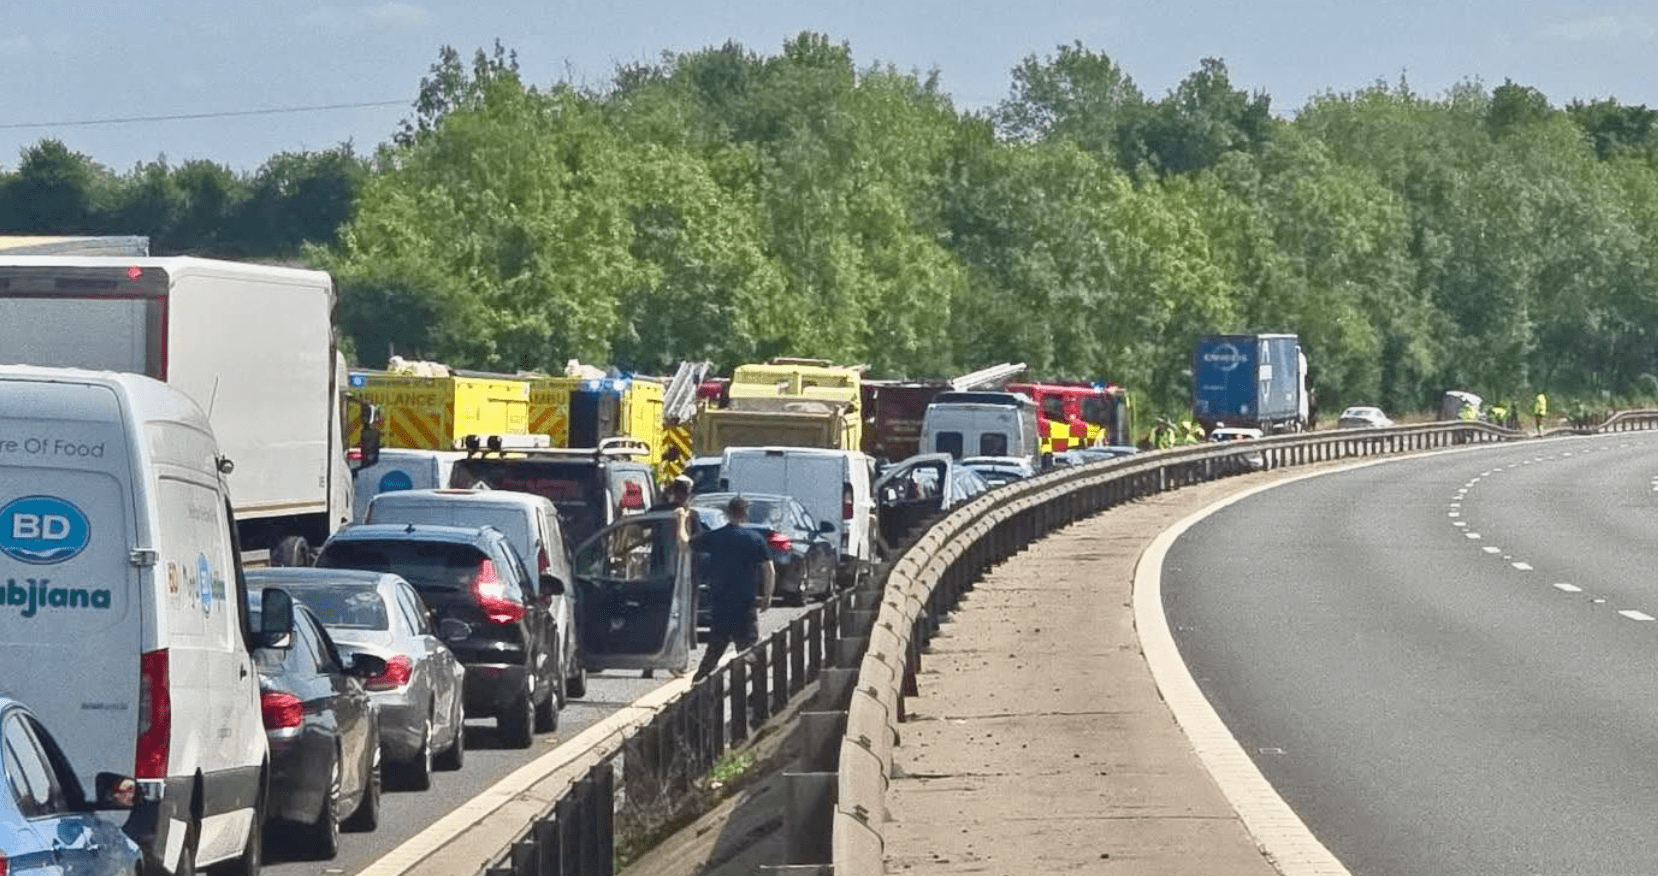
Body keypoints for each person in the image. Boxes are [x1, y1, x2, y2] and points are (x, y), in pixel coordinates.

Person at [688, 495, 775, 683]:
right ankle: (759, 700)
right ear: (745, 514)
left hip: (721, 604)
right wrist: (767, 596)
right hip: (745, 604)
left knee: (712, 655)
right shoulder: (755, 539)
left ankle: (696, 690)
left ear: (728, 513)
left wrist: (680, 521)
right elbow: (769, 570)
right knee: (751, 654)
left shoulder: (715, 537)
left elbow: (685, 543)